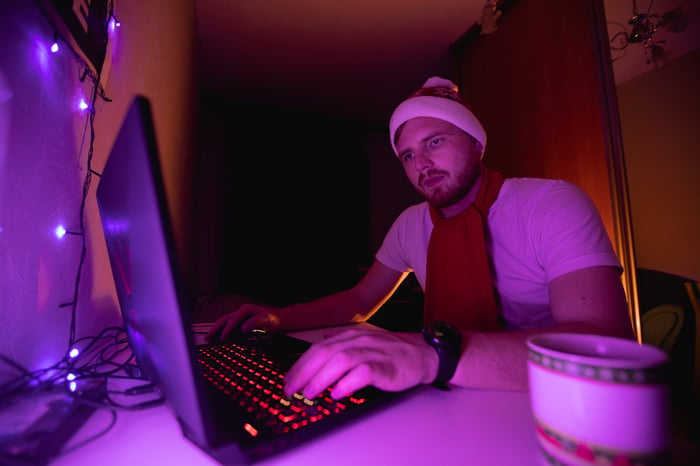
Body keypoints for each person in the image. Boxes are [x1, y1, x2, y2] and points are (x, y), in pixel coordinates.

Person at [205, 76, 634, 400]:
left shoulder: (550, 204)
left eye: (435, 141)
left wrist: (432, 353)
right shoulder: (411, 223)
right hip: (450, 399)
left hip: (556, 403)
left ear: (477, 145)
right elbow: (358, 302)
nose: (420, 163)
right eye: (407, 154)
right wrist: (278, 319)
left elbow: (605, 344)